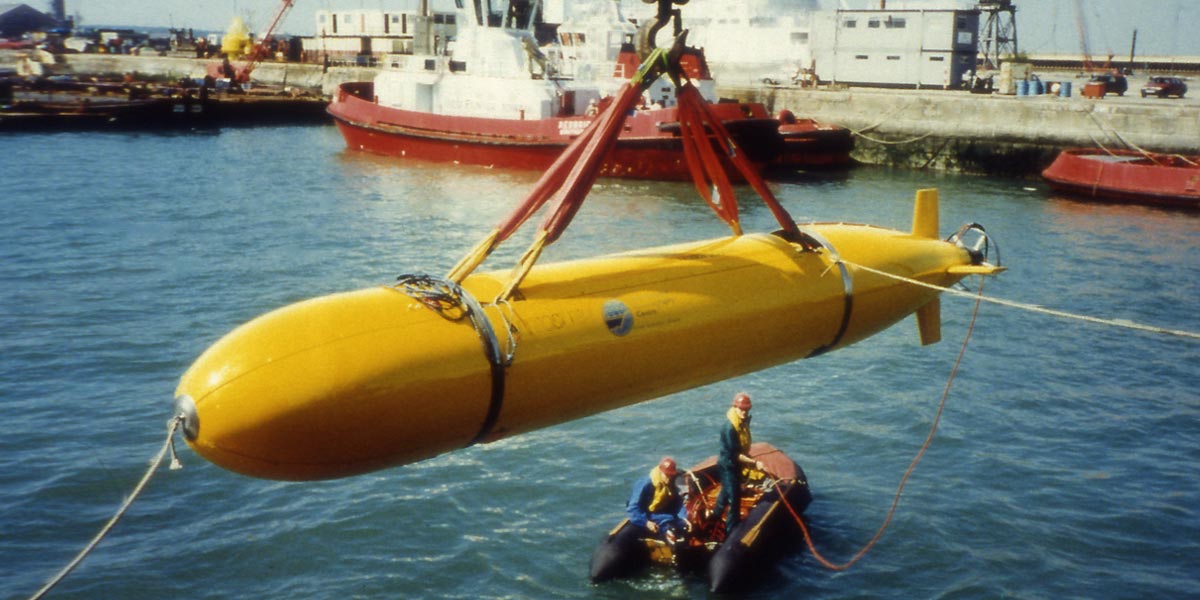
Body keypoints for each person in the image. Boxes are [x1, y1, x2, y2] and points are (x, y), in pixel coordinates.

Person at [712, 392, 764, 532]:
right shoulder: (730, 428)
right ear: (735, 408)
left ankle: (714, 517)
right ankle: (731, 532)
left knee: (725, 493)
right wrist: (754, 463)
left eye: (747, 410)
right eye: (741, 409)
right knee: (734, 500)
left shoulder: (743, 422)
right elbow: (735, 454)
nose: (744, 412)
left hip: (735, 464)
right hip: (728, 465)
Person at [626, 457, 689, 539]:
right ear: (660, 472)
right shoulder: (645, 483)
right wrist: (646, 522)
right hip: (649, 514)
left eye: (671, 475)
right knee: (669, 526)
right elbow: (633, 508)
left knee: (683, 524)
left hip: (663, 511)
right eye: (667, 475)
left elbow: (678, 501)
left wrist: (684, 517)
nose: (669, 478)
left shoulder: (670, 482)